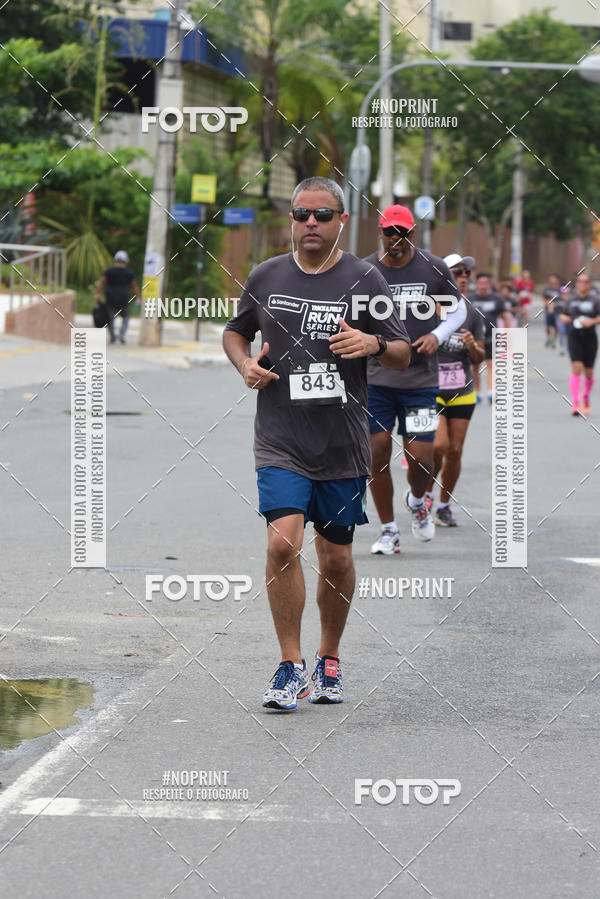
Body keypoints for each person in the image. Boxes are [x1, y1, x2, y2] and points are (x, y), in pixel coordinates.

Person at [223, 177, 411, 710]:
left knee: (337, 558)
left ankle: (329, 656)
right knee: (282, 545)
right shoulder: (267, 275)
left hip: (342, 443)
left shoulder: (365, 278)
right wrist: (244, 363)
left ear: (341, 221)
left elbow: (402, 353)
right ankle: (291, 665)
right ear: (291, 219)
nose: (311, 222)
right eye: (302, 213)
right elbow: (235, 331)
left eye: (323, 215)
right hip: (280, 438)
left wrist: (373, 342)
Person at [363, 205, 465, 554]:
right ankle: (388, 530)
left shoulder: (433, 267)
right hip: (375, 379)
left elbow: (458, 310)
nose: (396, 238)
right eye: (390, 232)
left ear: (412, 233)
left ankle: (418, 500)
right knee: (377, 452)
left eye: (403, 232)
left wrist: (438, 334)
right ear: (380, 232)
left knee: (422, 458)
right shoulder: (365, 270)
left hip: (420, 381)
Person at [557, 273, 600, 415]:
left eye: (585, 281)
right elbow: (563, 314)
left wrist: (591, 321)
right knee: (576, 367)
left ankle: (585, 396)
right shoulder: (570, 299)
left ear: (589, 284)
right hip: (574, 336)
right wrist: (564, 318)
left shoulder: (595, 300)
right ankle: (575, 403)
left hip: (590, 337)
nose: (582, 284)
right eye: (580, 281)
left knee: (588, 372)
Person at [468, 273, 511, 404]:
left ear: (490, 284)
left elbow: (506, 316)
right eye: (481, 283)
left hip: (491, 336)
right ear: (476, 284)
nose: (483, 286)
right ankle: (477, 392)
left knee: (490, 364)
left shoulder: (497, 298)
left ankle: (492, 391)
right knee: (475, 366)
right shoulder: (469, 298)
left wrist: (506, 336)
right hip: (474, 337)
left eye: (486, 283)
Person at [94, 250, 140, 344]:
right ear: (125, 260)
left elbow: (102, 282)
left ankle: (113, 337)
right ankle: (122, 335)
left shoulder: (109, 270)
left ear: (115, 259)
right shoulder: (129, 272)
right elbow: (134, 286)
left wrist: (97, 293)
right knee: (126, 317)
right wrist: (138, 297)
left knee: (111, 318)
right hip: (124, 299)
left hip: (111, 298)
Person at [542, 273, 561, 348]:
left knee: (556, 326)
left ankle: (554, 340)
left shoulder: (560, 288)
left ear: (557, 280)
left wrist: (556, 305)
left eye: (553, 278)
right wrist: (548, 304)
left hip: (558, 310)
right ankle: (548, 338)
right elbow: (543, 298)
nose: (552, 280)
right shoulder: (547, 288)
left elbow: (565, 297)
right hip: (549, 310)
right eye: (551, 279)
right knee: (548, 326)